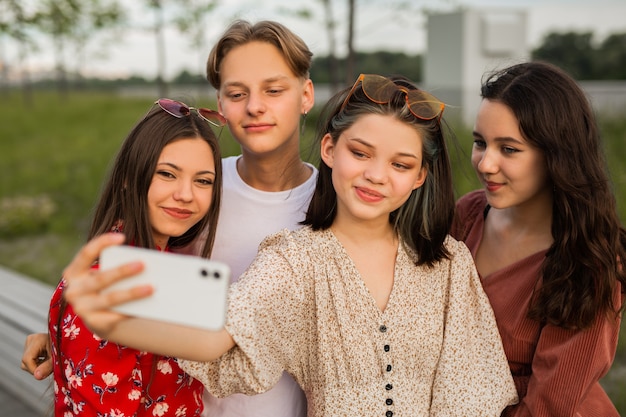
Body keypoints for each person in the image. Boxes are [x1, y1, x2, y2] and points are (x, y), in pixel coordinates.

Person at [61, 73, 519, 416]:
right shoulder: (295, 259)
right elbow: (220, 337)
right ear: (328, 150)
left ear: (419, 177)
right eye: (360, 153)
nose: (376, 175)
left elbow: (471, 391)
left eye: (401, 164)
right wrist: (112, 322)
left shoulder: (449, 264)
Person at [22, 19, 315, 417]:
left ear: (306, 94)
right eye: (236, 92)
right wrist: (70, 332)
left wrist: (71, 333)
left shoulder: (335, 206)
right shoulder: (199, 192)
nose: (255, 106)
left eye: (274, 89)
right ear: (222, 104)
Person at [451, 61, 626, 416]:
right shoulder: (467, 215)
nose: (485, 164)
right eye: (480, 143)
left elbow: (549, 405)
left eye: (509, 149)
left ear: (557, 155)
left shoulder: (587, 261)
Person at [47, 98, 226, 416]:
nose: (186, 194)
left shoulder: (168, 266)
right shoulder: (108, 284)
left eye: (203, 181)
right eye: (167, 174)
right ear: (130, 176)